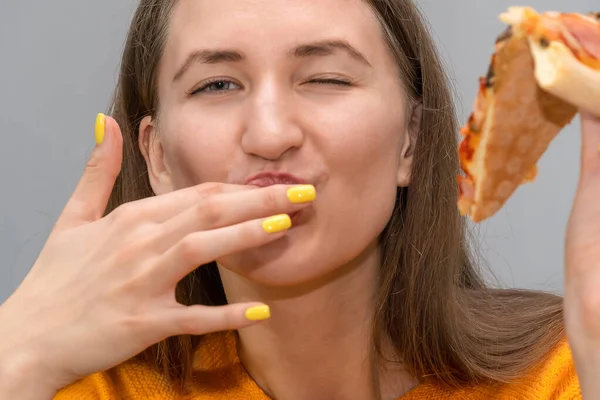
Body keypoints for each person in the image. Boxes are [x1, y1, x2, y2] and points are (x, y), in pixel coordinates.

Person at [0, 0, 599, 399]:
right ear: (156, 157)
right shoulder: (84, 388)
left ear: (411, 142)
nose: (269, 135)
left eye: (326, 78)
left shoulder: (565, 375)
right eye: (217, 85)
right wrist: (16, 352)